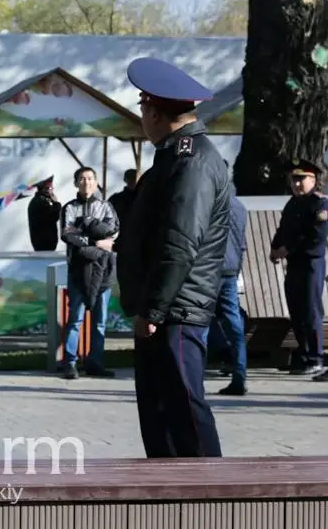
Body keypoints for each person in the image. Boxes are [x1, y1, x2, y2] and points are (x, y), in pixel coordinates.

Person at [117, 57, 229, 459]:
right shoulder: (174, 157)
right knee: (160, 414)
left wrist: (153, 309)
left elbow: (180, 243)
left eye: (142, 108)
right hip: (164, 307)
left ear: (153, 112)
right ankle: (167, 489)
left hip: (175, 310)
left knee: (184, 411)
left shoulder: (192, 161)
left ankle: (212, 489)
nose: (142, 118)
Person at [269, 159, 328, 379]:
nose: (296, 184)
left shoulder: (319, 204)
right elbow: (283, 229)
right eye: (293, 179)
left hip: (311, 262)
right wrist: (275, 248)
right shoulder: (293, 204)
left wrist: (287, 249)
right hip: (294, 264)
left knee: (310, 311)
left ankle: (315, 357)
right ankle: (303, 355)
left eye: (301, 179)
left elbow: (316, 236)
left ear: (313, 179)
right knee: (296, 310)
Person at [59, 166, 118, 380]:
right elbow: (67, 234)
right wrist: (95, 241)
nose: (87, 182)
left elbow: (112, 231)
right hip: (78, 270)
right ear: (76, 183)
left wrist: (86, 229)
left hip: (103, 270)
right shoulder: (69, 208)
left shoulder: (106, 207)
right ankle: (70, 362)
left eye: (90, 178)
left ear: (96, 182)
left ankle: (95, 362)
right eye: (82, 179)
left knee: (100, 320)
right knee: (75, 318)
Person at [206, 182, 249, 396]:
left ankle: (194, 374)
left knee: (200, 318)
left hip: (209, 269)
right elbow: (241, 244)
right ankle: (239, 375)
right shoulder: (239, 207)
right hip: (230, 270)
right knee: (234, 324)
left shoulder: (209, 203)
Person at [107, 168, 140, 253]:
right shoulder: (116, 199)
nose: (133, 181)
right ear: (125, 180)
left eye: (134, 178)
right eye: (130, 178)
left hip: (139, 242)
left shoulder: (145, 199)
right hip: (121, 242)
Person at [27, 178, 62, 251]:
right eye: (49, 188)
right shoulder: (39, 202)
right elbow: (55, 216)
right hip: (44, 243)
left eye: (52, 188)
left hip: (43, 242)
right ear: (44, 189)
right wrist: (56, 203)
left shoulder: (40, 200)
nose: (51, 190)